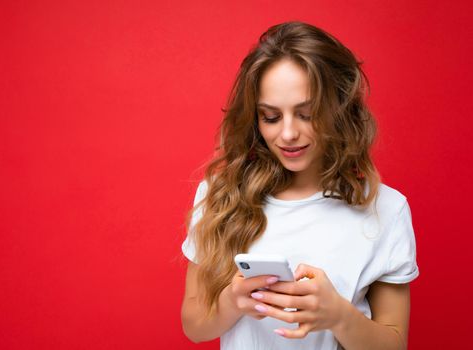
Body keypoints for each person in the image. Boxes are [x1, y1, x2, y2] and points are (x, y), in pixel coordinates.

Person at [180, 20, 419, 350]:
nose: (288, 134)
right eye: (271, 117)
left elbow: (395, 344)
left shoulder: (386, 210)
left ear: (339, 108)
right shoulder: (221, 195)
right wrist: (232, 301)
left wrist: (338, 316)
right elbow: (194, 326)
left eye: (307, 114)